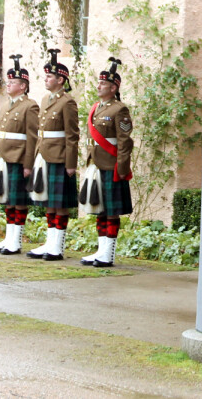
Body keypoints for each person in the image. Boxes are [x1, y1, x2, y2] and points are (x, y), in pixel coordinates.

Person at [81, 57, 133, 267]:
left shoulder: (119, 110)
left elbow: (125, 142)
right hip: (96, 164)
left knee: (111, 211)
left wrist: (121, 167)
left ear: (113, 88)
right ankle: (100, 250)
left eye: (103, 83)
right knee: (100, 209)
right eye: (99, 82)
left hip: (111, 165)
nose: (98, 85)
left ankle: (108, 254)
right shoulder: (96, 108)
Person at [29, 49, 80, 261]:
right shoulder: (44, 99)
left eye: (49, 76)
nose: (46, 79)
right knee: (49, 201)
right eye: (46, 76)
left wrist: (71, 163)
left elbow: (72, 134)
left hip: (59, 156)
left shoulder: (67, 102)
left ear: (61, 79)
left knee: (60, 203)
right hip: (44, 153)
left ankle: (57, 247)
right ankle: (50, 243)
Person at [0, 56, 39, 256]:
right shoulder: (6, 105)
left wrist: (28, 164)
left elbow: (31, 137)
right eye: (7, 81)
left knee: (18, 200)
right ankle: (8, 238)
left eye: (13, 82)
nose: (8, 85)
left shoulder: (30, 106)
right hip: (5, 157)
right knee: (8, 199)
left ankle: (16, 241)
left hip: (19, 158)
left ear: (23, 86)